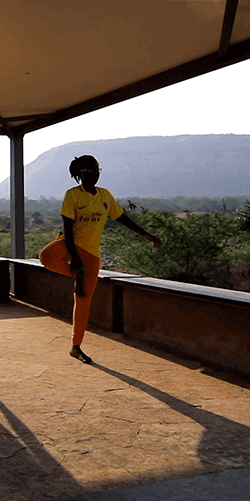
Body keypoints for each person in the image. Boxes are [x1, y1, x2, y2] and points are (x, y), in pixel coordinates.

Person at [61, 155, 160, 364]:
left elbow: (121, 217)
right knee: (45, 256)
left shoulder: (104, 195)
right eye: (91, 171)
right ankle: (77, 274)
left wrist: (147, 235)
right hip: (70, 246)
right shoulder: (73, 195)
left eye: (98, 170)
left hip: (92, 254)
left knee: (83, 300)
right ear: (81, 174)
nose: (96, 175)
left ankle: (75, 347)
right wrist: (75, 259)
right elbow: (67, 229)